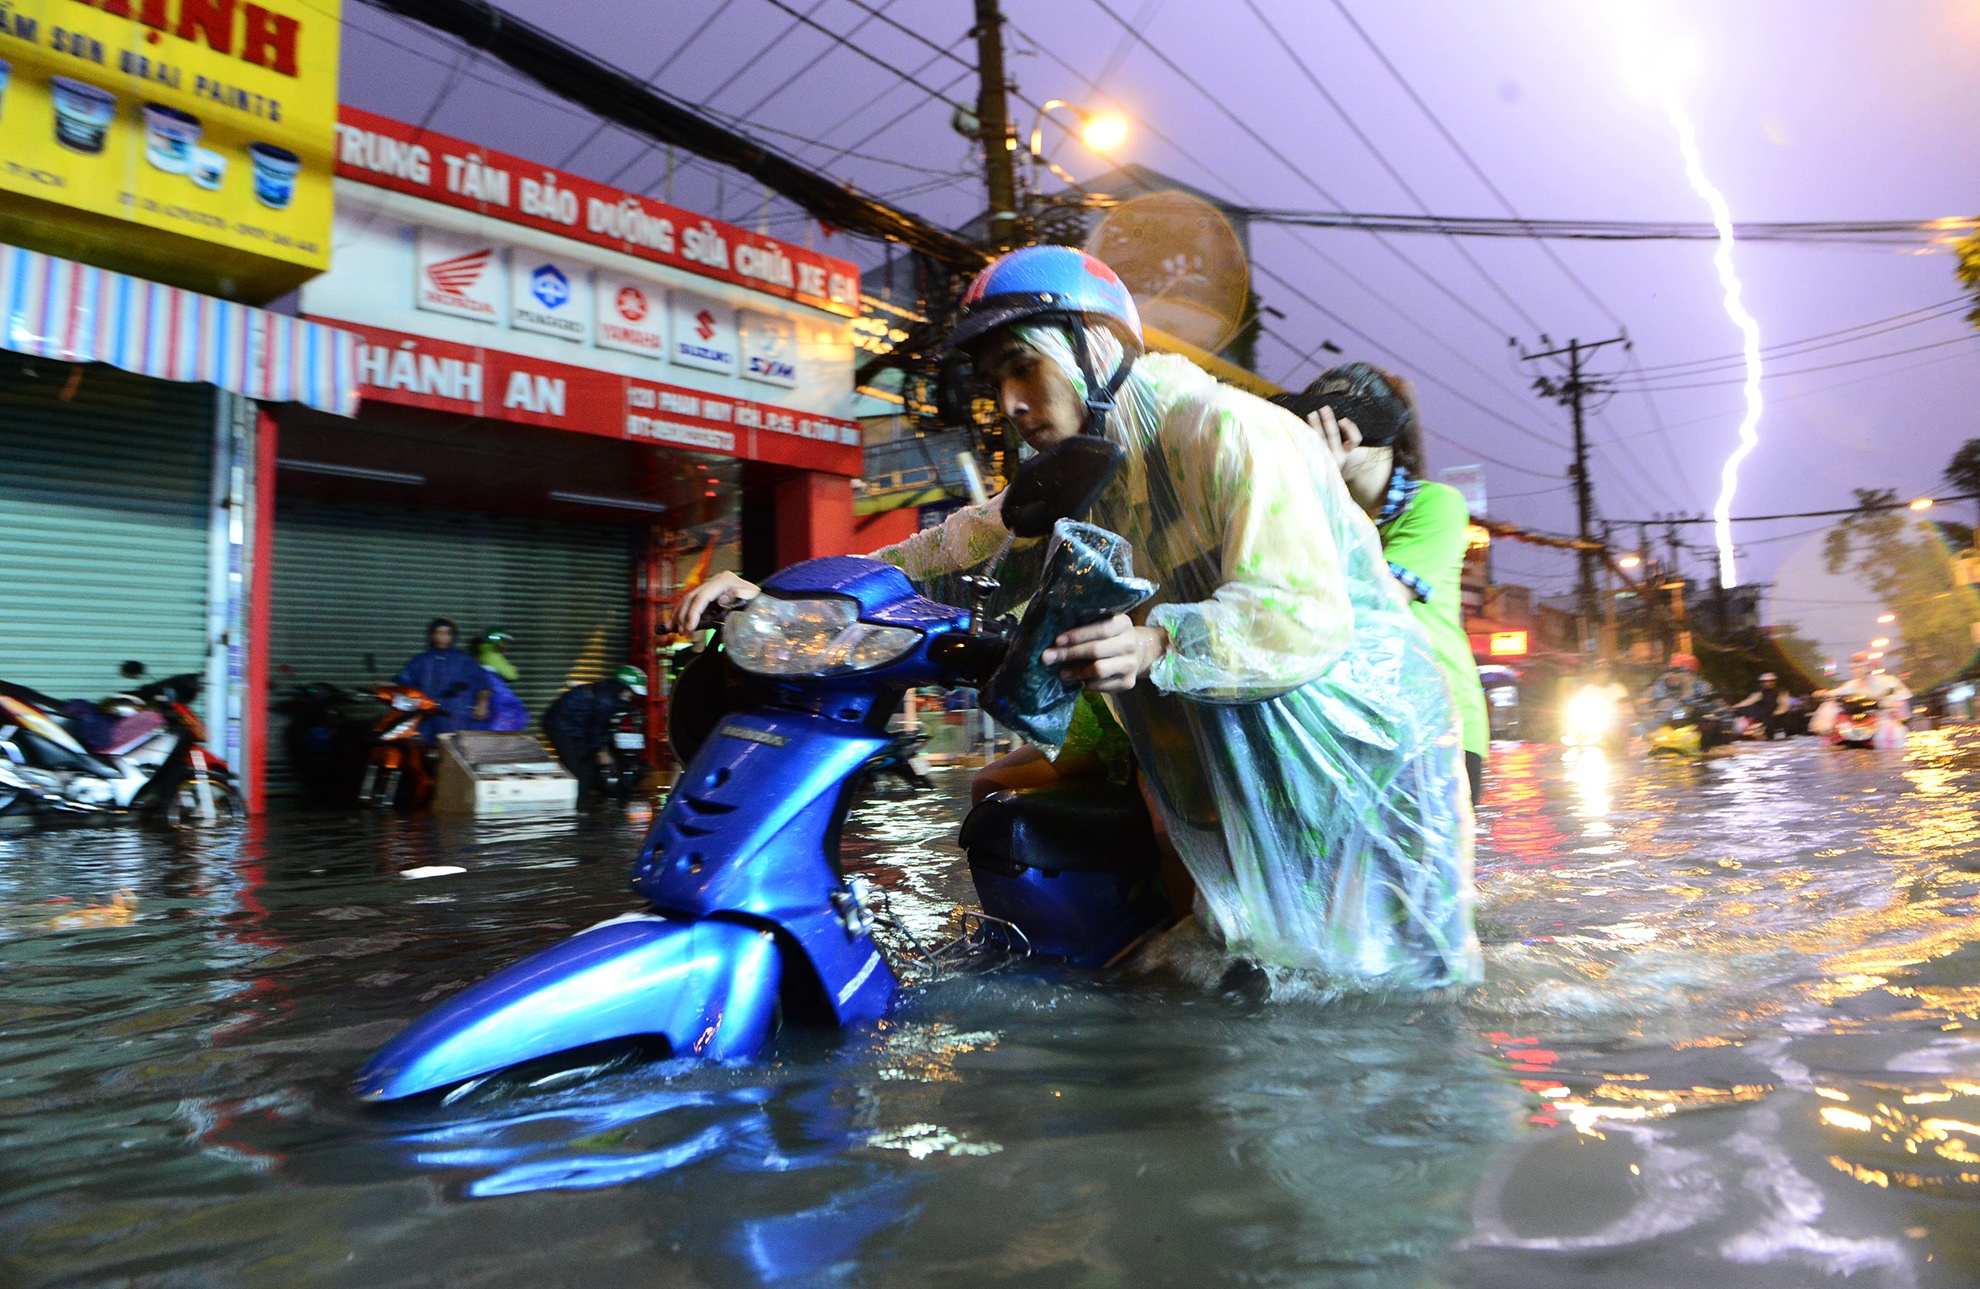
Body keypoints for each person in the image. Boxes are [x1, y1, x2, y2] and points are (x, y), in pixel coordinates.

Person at [675, 244, 1478, 989]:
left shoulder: (1233, 431)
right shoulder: (1078, 473)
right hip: (1233, 774)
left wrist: (1162, 640)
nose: (1013, 403)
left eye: (1025, 367)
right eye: (997, 383)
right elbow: (951, 553)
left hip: (1357, 764)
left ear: (1098, 345)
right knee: (1244, 986)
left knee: (1386, 992)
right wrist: (786, 595)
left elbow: (1302, 615)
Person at [1276, 364, 1491, 802]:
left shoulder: (1436, 505)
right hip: (1353, 721)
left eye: (1339, 414)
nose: (1325, 429)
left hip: (1440, 725)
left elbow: (1373, 600)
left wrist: (1322, 487)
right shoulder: (1312, 511)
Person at [543, 665, 646, 796]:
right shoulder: (607, 700)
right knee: (578, 772)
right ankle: (576, 805)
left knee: (585, 765)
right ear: (624, 687)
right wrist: (601, 751)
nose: (631, 696)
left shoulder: (608, 691)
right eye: (632, 692)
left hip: (574, 727)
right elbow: (596, 729)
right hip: (560, 727)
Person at [395, 618, 490, 745]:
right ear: (432, 635)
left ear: (452, 636)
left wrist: (482, 704)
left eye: (447, 633)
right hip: (426, 715)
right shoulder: (420, 660)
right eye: (439, 632)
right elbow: (404, 683)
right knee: (424, 749)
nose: (442, 637)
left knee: (456, 750)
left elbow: (482, 683)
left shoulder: (465, 660)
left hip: (456, 715)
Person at [1640, 652, 1713, 733]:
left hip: (1689, 731)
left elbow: (1711, 703)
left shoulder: (1700, 686)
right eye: (1672, 671)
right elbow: (1643, 705)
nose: (1673, 675)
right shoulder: (1658, 687)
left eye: (1677, 672)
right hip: (1663, 733)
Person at [1731, 672, 1792, 739]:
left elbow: (1784, 706)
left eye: (1770, 681)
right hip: (1764, 714)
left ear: (1774, 682)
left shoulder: (1782, 692)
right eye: (1765, 681)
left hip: (1777, 715)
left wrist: (1775, 713)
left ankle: (1772, 735)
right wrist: (1735, 707)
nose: (1767, 683)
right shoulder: (1760, 693)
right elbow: (1749, 701)